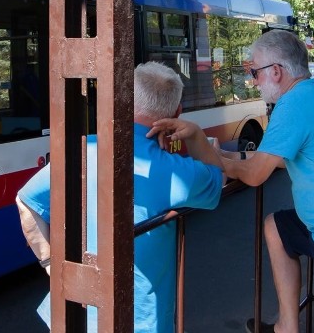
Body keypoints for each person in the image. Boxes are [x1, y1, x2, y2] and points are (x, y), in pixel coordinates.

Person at [162, 29, 314, 333]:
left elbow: (255, 174)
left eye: (254, 72)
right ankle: (287, 325)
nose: (252, 80)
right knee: (277, 227)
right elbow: (263, 160)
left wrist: (204, 147)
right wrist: (223, 157)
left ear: (276, 71)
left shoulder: (294, 105)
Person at [16, 60, 225, 332]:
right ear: (176, 113)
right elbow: (218, 178)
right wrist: (195, 134)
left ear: (123, 100)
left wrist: (50, 264)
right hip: (140, 321)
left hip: (71, 312)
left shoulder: (81, 150)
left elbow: (26, 201)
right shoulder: (175, 171)